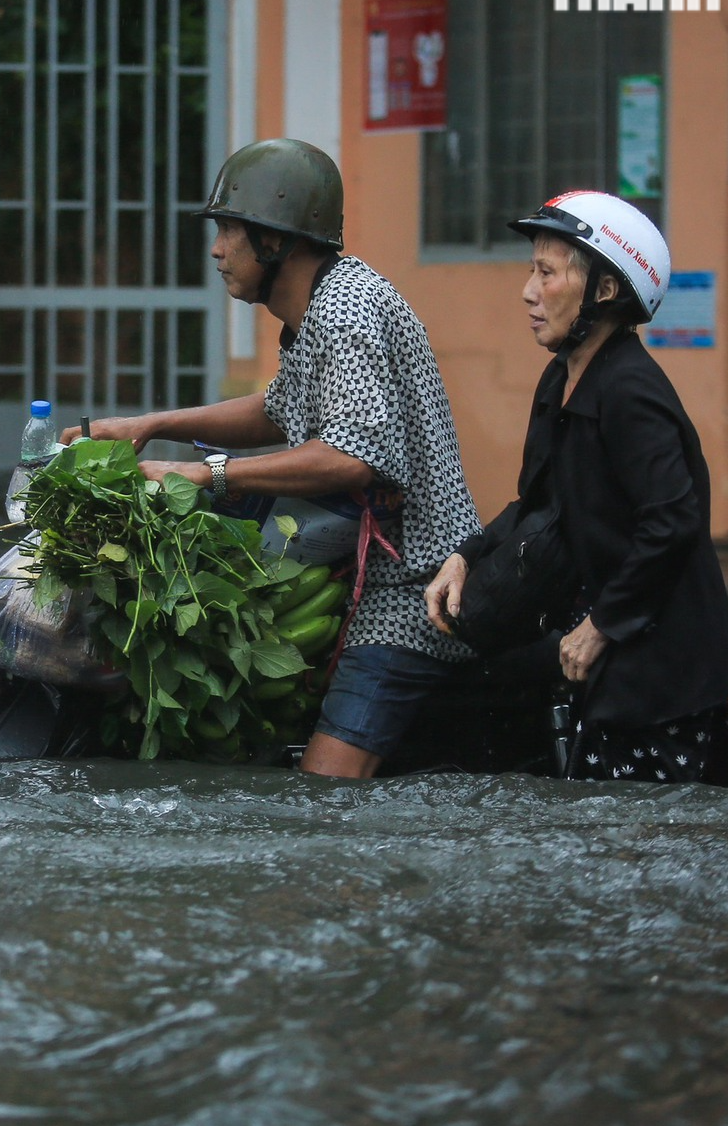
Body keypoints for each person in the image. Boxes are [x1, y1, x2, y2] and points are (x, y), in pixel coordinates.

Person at [67, 138, 481, 779]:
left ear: (276, 240)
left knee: (321, 792)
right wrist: (151, 425)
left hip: (413, 590)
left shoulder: (348, 311)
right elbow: (278, 408)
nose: (216, 249)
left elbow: (352, 456)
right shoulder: (320, 309)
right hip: (355, 570)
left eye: (230, 230)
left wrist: (208, 471)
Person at [425, 192, 728, 782]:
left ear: (604, 291)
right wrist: (464, 557)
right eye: (531, 270)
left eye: (547, 273)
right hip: (600, 650)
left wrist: (601, 626)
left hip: (661, 669)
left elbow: (672, 522)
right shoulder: (559, 381)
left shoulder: (630, 393)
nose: (528, 291)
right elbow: (537, 503)